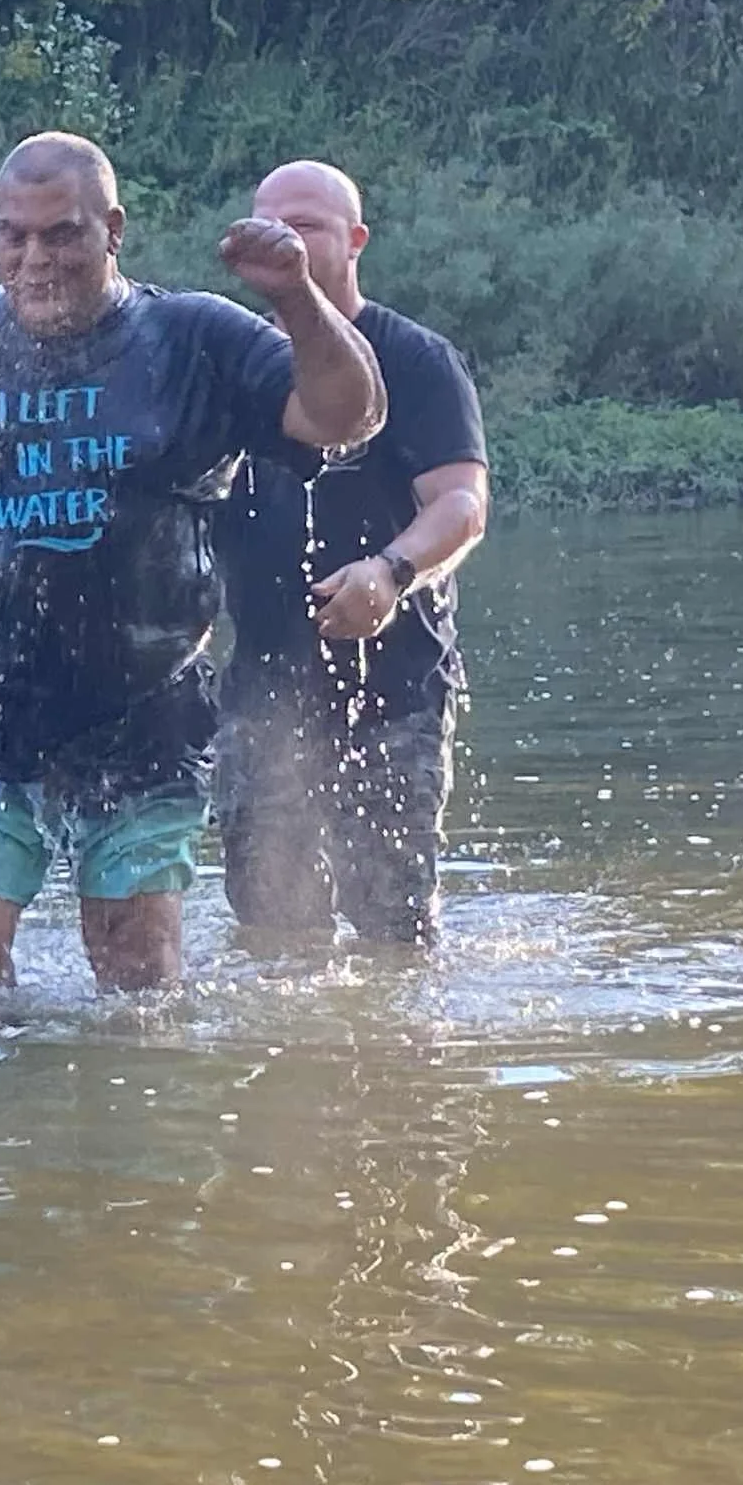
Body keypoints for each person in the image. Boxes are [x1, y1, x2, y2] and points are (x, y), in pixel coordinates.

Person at [0, 132, 385, 992]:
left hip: (145, 724)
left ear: (114, 231)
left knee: (136, 978)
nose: (35, 260)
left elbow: (347, 416)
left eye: (61, 234)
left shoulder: (189, 337)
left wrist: (298, 299)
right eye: (13, 235)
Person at [215, 161, 490, 947]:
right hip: (262, 697)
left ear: (356, 240)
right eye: (271, 226)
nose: (286, 242)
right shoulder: (232, 360)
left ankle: (396, 1032)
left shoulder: (416, 358)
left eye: (306, 227)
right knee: (271, 933)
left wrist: (391, 572)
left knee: (393, 932)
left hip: (393, 690)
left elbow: (462, 504)